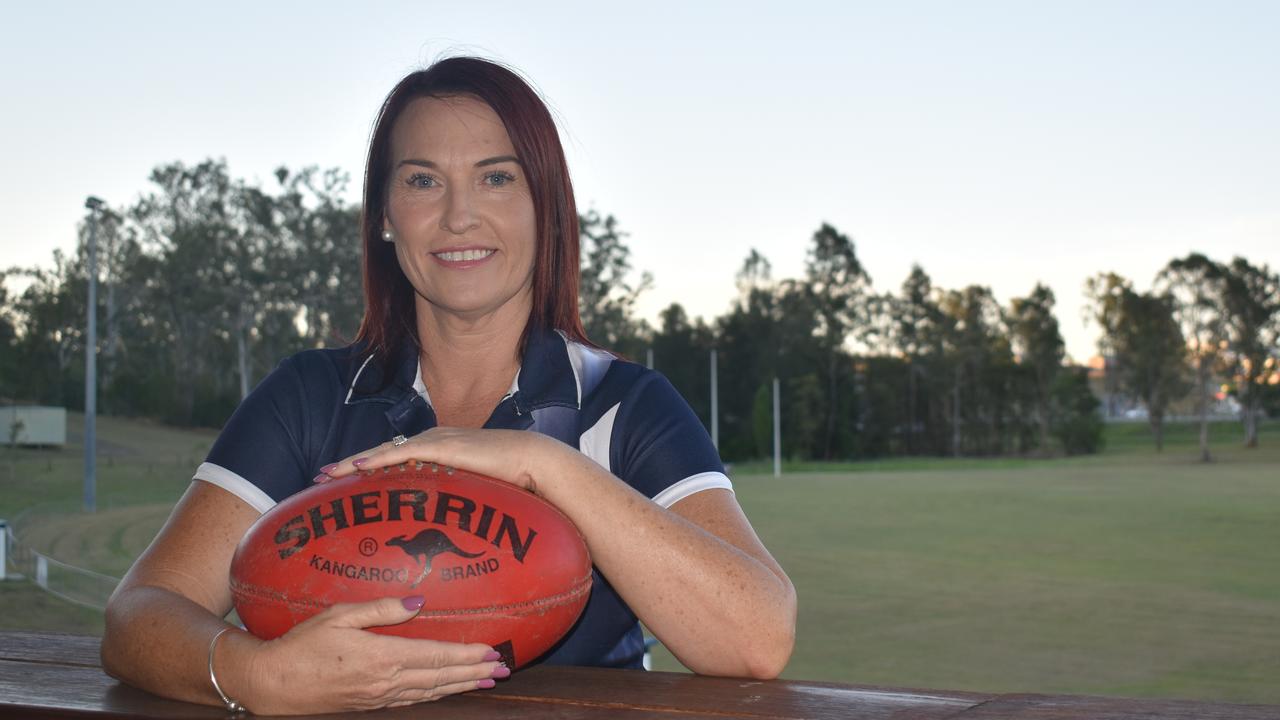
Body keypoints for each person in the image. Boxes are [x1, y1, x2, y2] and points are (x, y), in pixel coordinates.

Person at [101, 56, 796, 715]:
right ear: (384, 215)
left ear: (545, 207)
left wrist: (544, 464)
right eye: (423, 180)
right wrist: (256, 676)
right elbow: (137, 616)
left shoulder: (625, 405)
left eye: (497, 177)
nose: (460, 215)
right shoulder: (310, 397)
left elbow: (755, 640)